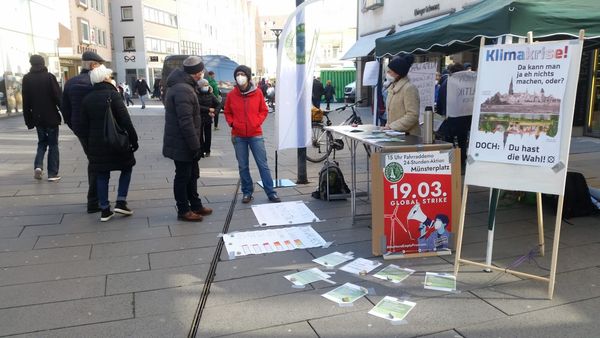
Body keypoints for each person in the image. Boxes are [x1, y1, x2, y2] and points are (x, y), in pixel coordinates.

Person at [79, 65, 139, 222]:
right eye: (109, 76)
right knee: (127, 167)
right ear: (105, 78)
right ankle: (120, 201)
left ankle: (105, 209)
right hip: (117, 142)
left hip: (97, 144)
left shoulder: (87, 99)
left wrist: (88, 143)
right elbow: (125, 120)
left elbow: (82, 126)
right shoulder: (114, 95)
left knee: (101, 175)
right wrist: (134, 139)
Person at [162, 56, 212, 222]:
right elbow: (186, 121)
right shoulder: (183, 89)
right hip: (182, 142)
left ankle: (195, 205)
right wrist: (195, 145)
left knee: (192, 174)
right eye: (200, 72)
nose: (201, 74)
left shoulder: (185, 86)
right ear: (195, 73)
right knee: (183, 176)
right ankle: (183, 210)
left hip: (185, 141)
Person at [224, 65, 280, 204]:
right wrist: (232, 123)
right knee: (243, 166)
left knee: (263, 164)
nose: (240, 77)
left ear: (248, 77)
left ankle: (271, 192)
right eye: (238, 74)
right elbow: (227, 111)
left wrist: (257, 122)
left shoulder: (258, 93)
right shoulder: (232, 95)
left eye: (242, 74)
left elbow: (263, 110)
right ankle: (247, 192)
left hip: (255, 134)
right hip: (238, 135)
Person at [62, 50, 105, 213]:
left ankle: (97, 199)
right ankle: (95, 201)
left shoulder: (70, 83)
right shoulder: (97, 81)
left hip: (81, 129)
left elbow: (65, 109)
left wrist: (75, 126)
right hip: (98, 128)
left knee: (93, 160)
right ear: (93, 65)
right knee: (97, 163)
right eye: (100, 65)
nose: (101, 68)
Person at [22, 54, 63, 182]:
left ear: (31, 64)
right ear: (43, 63)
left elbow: (26, 102)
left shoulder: (27, 79)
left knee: (41, 143)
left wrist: (29, 121)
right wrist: (66, 113)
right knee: (53, 145)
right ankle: (52, 173)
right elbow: (58, 97)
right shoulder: (49, 77)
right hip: (51, 117)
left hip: (37, 118)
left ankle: (38, 166)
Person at [437, 63, 470, 167]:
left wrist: (441, 113)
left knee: (449, 143)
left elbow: (440, 101)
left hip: (449, 118)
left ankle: (450, 164)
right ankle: (462, 164)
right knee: (462, 142)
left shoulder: (446, 83)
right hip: (463, 118)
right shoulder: (466, 84)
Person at [382, 54, 420, 136]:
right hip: (394, 134)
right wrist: (388, 127)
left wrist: (392, 127)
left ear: (397, 73)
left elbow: (412, 115)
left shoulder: (409, 88)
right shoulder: (392, 87)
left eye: (389, 72)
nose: (387, 74)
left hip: (408, 136)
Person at [197, 78, 219, 157]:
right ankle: (201, 150)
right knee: (199, 135)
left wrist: (215, 112)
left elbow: (218, 104)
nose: (206, 87)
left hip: (208, 118)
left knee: (208, 135)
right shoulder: (196, 94)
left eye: (206, 85)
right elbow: (196, 106)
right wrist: (208, 109)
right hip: (198, 117)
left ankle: (207, 150)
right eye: (204, 85)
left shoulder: (211, 94)